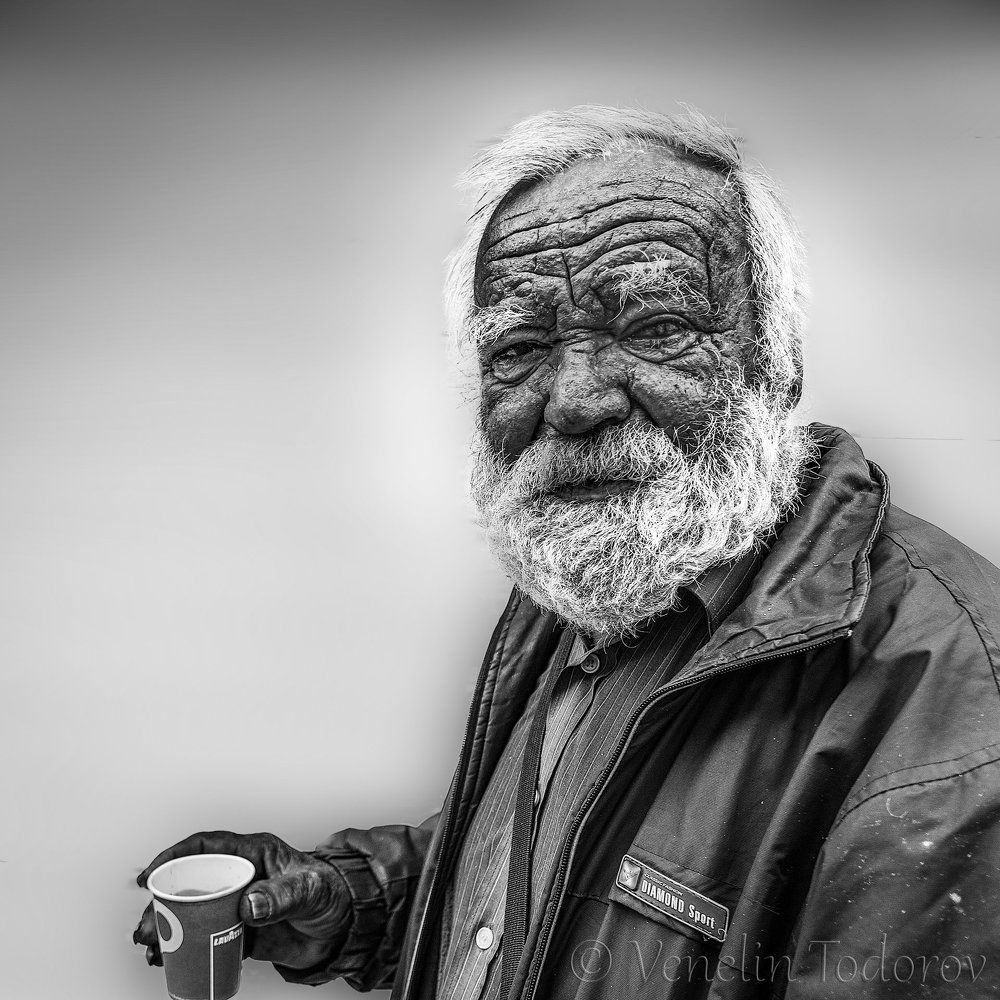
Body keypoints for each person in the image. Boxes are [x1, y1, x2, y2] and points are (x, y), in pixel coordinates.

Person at [133, 106, 1000, 998]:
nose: (576, 400)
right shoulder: (599, 565)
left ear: (776, 363)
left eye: (656, 328)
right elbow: (570, 871)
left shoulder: (946, 703)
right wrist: (363, 901)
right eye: (521, 347)